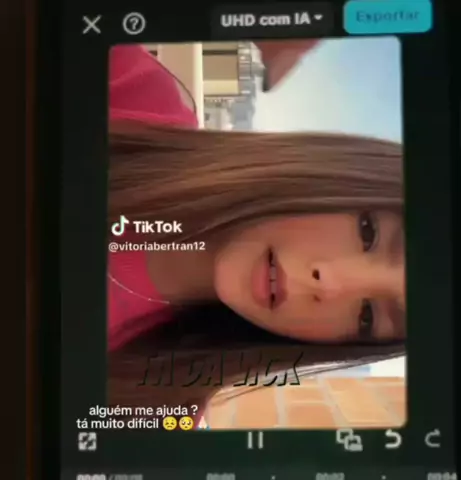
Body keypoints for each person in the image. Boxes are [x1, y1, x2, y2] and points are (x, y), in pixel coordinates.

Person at [108, 44, 405, 423]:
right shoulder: (133, 95)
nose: (329, 284)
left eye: (367, 317)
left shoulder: (153, 412)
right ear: (338, 173)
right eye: (368, 233)